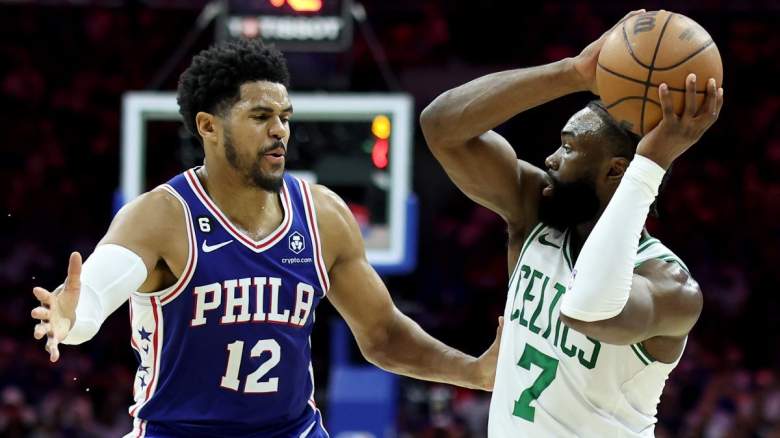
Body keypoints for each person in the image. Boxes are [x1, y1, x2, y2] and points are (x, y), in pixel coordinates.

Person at [30, 38, 501, 438]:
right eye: (260, 116)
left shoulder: (323, 215)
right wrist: (72, 315)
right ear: (208, 127)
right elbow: (95, 289)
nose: (280, 130)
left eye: (285, 116)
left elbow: (382, 335)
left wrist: (473, 371)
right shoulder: (161, 216)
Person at [420, 9, 724, 437]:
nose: (550, 159)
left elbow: (589, 310)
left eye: (568, 147)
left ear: (616, 170)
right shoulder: (535, 212)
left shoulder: (671, 287)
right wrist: (573, 72)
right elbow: (441, 126)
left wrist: (653, 159)